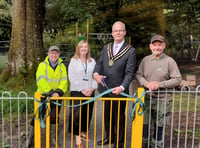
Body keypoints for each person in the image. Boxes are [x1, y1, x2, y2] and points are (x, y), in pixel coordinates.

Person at [93, 21, 136, 148]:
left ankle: (119, 142)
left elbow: (129, 73)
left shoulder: (130, 51)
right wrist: (96, 74)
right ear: (112, 33)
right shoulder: (106, 48)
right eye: (115, 30)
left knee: (119, 117)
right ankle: (109, 137)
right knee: (107, 114)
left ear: (124, 33)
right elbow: (99, 63)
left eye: (120, 30)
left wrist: (122, 87)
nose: (118, 32)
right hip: (105, 87)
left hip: (119, 89)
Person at [136, 34, 182, 148]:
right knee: (144, 125)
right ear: (150, 46)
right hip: (146, 98)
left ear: (164, 46)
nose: (157, 47)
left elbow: (177, 79)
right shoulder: (145, 60)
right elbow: (138, 75)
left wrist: (159, 85)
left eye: (160, 45)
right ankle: (144, 144)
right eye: (155, 45)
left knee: (159, 127)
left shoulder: (169, 61)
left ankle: (156, 145)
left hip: (163, 99)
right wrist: (147, 84)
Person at [28, 46, 68, 147]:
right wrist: (51, 92)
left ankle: (53, 139)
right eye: (52, 53)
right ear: (48, 54)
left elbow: (64, 81)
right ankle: (30, 140)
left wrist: (58, 92)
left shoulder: (62, 66)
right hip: (43, 96)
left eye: (56, 53)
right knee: (38, 117)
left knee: (54, 117)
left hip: (57, 97)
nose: (54, 55)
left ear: (58, 55)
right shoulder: (42, 65)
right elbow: (41, 80)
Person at [68, 40, 97, 148]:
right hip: (77, 91)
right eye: (82, 47)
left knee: (87, 112)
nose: (84, 48)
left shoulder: (92, 61)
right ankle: (77, 139)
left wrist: (92, 88)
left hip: (90, 91)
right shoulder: (74, 60)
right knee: (77, 114)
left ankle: (83, 132)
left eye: (86, 46)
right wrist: (81, 89)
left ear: (88, 48)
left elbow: (95, 75)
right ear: (78, 49)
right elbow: (71, 76)